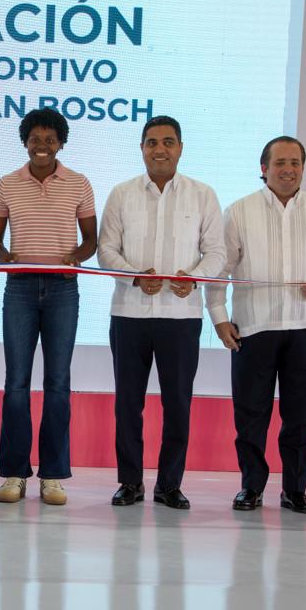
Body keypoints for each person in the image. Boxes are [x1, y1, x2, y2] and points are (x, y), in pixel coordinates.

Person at [205, 136, 306, 514]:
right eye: (280, 163)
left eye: (295, 163)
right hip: (253, 328)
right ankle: (251, 487)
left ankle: (295, 490)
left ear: (303, 168)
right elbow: (219, 268)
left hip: (305, 328)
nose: (288, 170)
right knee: (251, 415)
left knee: (301, 417)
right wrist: (219, 317)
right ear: (264, 168)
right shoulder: (240, 211)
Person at [97, 115, 224, 509]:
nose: (160, 149)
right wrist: (134, 276)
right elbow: (106, 251)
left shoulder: (202, 195)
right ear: (141, 148)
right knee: (127, 404)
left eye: (168, 142)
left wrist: (196, 278)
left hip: (181, 317)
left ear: (180, 148)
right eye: (152, 142)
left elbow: (216, 253)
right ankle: (130, 482)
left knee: (178, 403)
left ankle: (169, 485)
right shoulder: (121, 194)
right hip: (129, 314)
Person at [0, 108, 98, 506]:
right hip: (19, 290)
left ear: (60, 144)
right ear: (25, 142)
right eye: (35, 139)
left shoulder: (79, 183)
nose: (42, 146)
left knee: (57, 384)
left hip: (63, 291)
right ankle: (14, 473)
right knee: (16, 383)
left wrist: (76, 257)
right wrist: (2, 257)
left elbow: (91, 240)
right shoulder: (6, 185)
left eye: (50, 139)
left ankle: (52, 475)